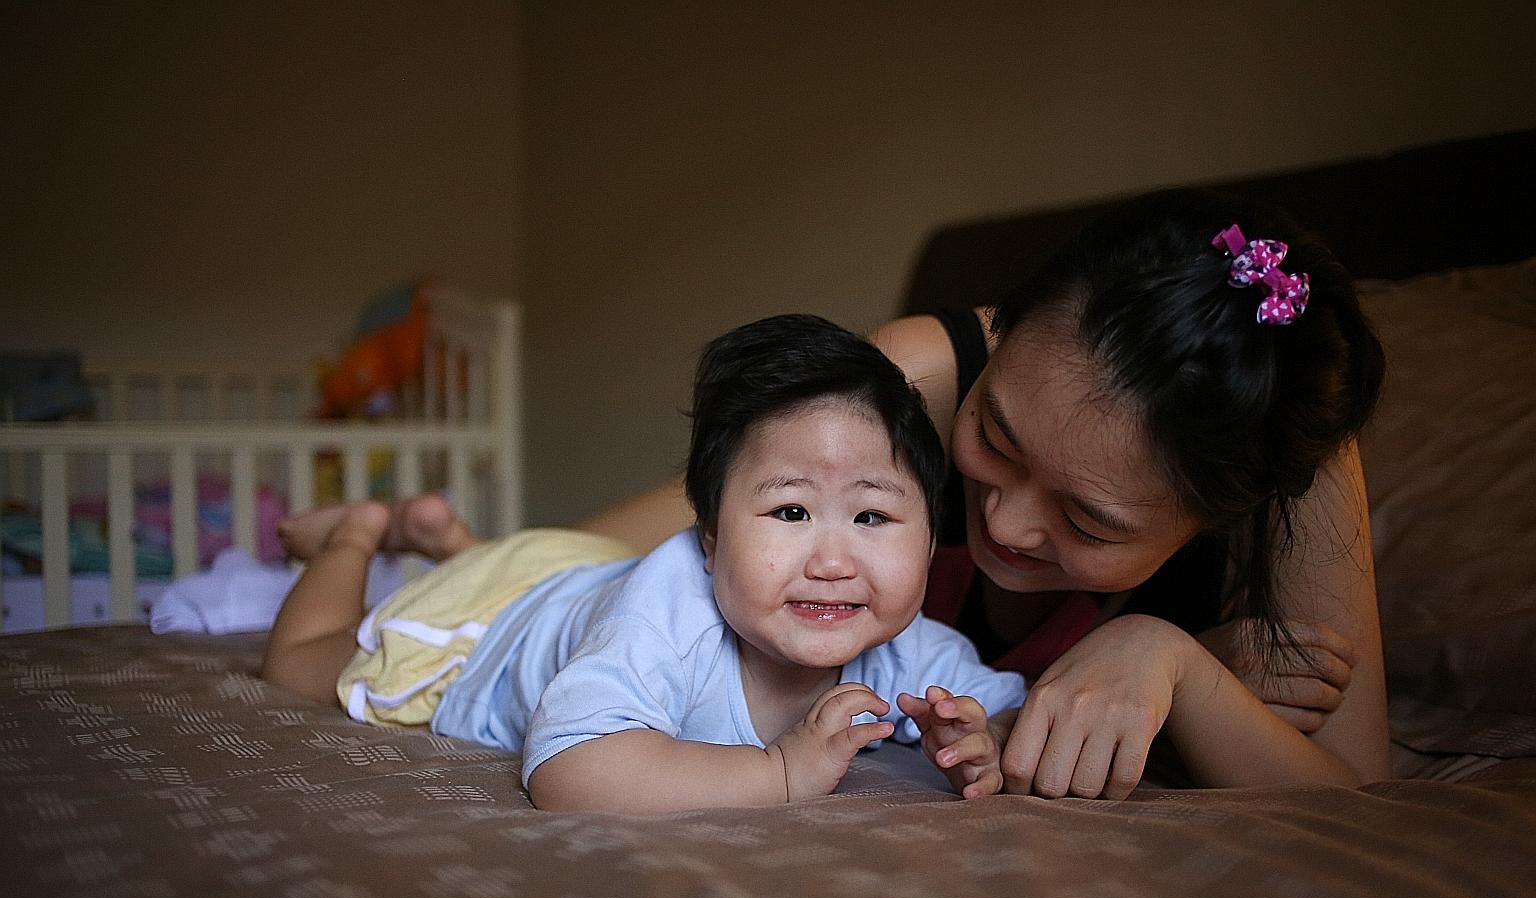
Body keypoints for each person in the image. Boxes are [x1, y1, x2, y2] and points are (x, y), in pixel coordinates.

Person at [574, 188, 1392, 798]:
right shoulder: (922, 376)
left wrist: (1172, 662)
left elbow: (1354, 791)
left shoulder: (1293, 461)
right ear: (1001, 340)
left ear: (1223, 518)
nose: (1003, 519)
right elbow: (702, 520)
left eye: (1087, 519)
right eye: (995, 440)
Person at [260, 314, 1028, 812]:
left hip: (584, 573)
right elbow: (571, 771)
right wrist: (780, 774)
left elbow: (1005, 706)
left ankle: (448, 540)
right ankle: (355, 536)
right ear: (711, 539)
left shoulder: (902, 646)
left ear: (929, 545)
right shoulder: (666, 626)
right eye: (790, 512)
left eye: (873, 516)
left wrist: (980, 736)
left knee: (551, 578)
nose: (833, 560)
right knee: (302, 665)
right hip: (498, 619)